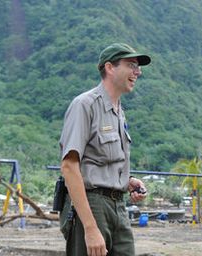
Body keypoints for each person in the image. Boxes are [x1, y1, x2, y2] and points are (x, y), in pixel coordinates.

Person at [59, 43, 151, 256]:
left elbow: (99, 162)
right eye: (131, 65)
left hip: (119, 207)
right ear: (110, 68)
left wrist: (127, 182)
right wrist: (90, 228)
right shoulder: (85, 105)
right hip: (93, 206)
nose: (138, 72)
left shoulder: (119, 111)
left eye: (137, 67)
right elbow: (69, 166)